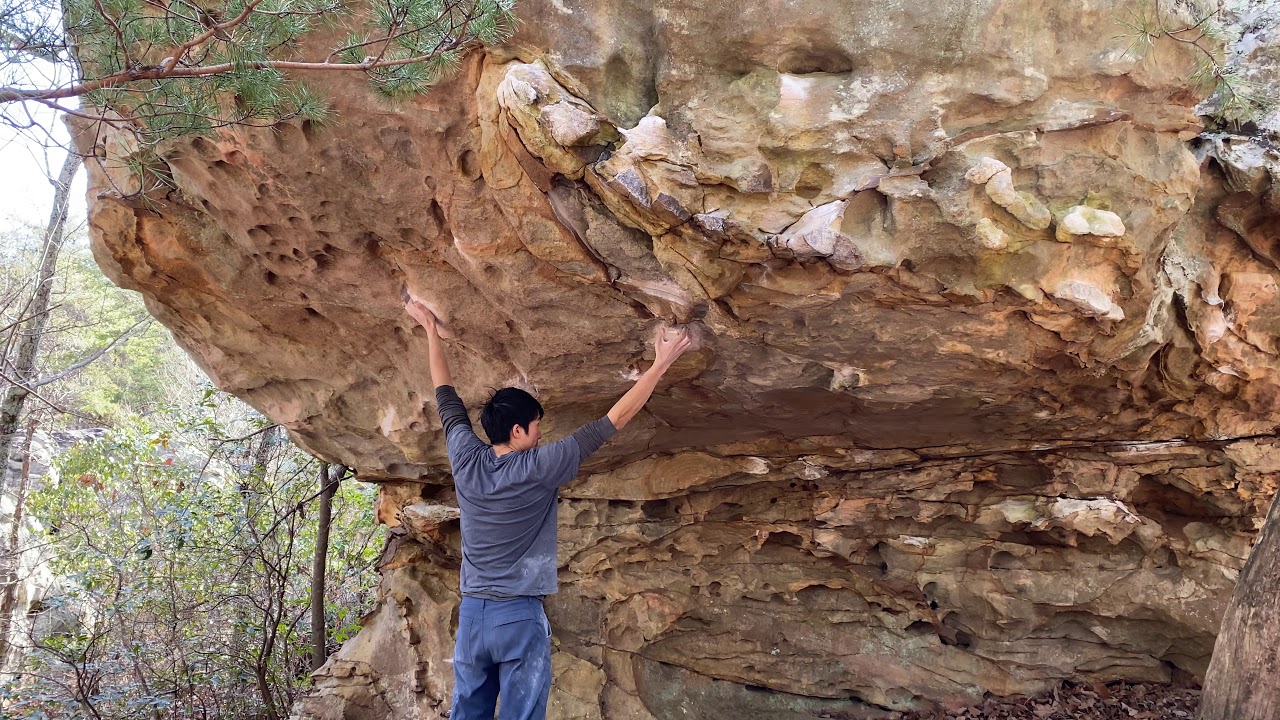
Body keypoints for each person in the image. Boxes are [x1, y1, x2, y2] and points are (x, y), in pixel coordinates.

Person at [404, 296, 693, 720]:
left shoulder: (465, 458)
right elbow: (612, 422)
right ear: (518, 430)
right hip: (518, 618)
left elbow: (445, 396)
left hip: (473, 620)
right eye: (537, 426)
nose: (541, 433)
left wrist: (430, 327)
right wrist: (661, 362)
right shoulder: (538, 467)